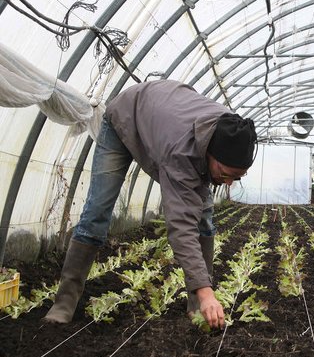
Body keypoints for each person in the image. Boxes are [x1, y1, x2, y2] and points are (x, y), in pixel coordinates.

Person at [43, 79, 257, 329]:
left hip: (162, 117)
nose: (229, 183)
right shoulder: (180, 152)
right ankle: (64, 303)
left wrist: (203, 293)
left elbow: (199, 205)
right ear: (211, 154)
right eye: (226, 173)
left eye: (237, 177)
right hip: (124, 119)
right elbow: (180, 226)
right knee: (97, 212)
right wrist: (208, 293)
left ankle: (197, 305)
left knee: (204, 217)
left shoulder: (231, 130)